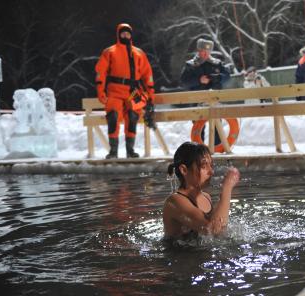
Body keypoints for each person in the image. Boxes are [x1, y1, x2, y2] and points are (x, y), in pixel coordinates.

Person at [95, 23, 155, 159]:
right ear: (118, 34)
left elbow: (148, 74)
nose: (125, 35)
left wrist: (150, 92)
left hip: (133, 92)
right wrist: (100, 90)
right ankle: (113, 151)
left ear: (131, 35)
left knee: (132, 118)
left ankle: (130, 150)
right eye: (123, 33)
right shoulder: (109, 52)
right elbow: (100, 72)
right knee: (113, 117)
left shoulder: (139, 53)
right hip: (114, 92)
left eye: (128, 33)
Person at [162, 142, 240, 240]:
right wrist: (227, 188)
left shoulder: (206, 197)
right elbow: (212, 231)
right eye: (203, 166)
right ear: (184, 170)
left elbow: (218, 230)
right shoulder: (174, 202)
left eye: (211, 165)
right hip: (178, 254)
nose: (211, 171)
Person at [180, 38, 230, 145]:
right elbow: (184, 81)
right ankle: (197, 153)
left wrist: (219, 78)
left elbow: (227, 75)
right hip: (196, 102)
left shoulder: (217, 63)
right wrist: (199, 80)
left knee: (217, 127)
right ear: (198, 50)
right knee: (198, 129)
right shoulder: (191, 65)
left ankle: (217, 152)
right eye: (203, 51)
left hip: (214, 101)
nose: (206, 53)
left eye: (208, 51)